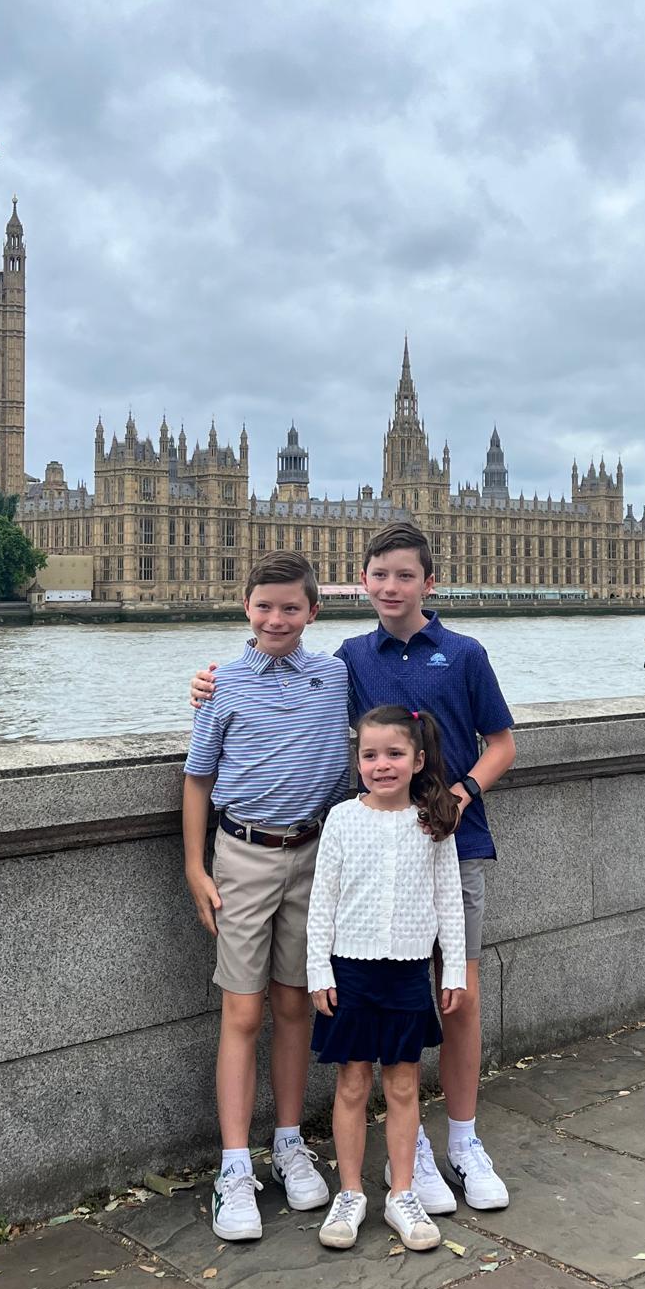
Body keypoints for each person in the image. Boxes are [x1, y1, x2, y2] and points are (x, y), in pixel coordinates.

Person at [191, 520, 516, 1212]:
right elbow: (283, 701)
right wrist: (208, 686)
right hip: (370, 854)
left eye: (406, 575)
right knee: (384, 998)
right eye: (380, 575)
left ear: (430, 582)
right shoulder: (347, 661)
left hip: (455, 842)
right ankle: (410, 1148)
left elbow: (503, 744)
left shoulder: (464, 653)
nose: (392, 586)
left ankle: (463, 1141)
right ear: (361, 581)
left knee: (458, 996)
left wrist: (458, 796)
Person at [182, 550, 350, 1243]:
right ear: (244, 607)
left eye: (290, 608)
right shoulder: (220, 684)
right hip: (244, 856)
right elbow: (197, 777)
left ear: (313, 612)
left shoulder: (336, 677)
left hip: (314, 856)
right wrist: (195, 868)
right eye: (264, 607)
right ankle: (233, 1165)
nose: (276, 619)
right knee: (243, 1011)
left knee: (294, 1004)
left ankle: (287, 1142)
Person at [309, 706, 467, 1252]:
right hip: (350, 972)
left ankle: (402, 1192)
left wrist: (454, 969)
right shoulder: (341, 819)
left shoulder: (433, 823)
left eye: (394, 754)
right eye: (370, 755)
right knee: (352, 1082)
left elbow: (449, 902)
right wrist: (318, 970)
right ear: (357, 761)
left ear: (417, 760)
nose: (382, 765)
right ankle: (350, 1192)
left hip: (408, 973)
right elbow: (322, 902)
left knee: (402, 1084)